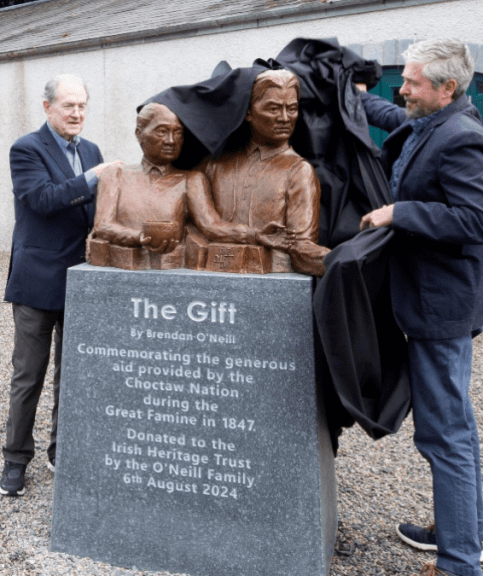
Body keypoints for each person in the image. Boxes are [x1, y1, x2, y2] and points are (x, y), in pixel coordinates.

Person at [358, 39, 483, 576]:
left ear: (446, 89)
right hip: (433, 301)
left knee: (445, 433)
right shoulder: (436, 121)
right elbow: (398, 116)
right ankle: (459, 529)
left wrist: (401, 211)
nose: (404, 88)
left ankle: (460, 563)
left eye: (413, 81)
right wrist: (353, 98)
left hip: (441, 309)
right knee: (452, 427)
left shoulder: (462, 139)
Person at [2, 74, 118, 496]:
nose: (77, 113)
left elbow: (100, 212)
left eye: (82, 106)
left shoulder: (90, 151)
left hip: (80, 281)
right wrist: (94, 178)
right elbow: (44, 199)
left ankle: (60, 450)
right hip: (36, 282)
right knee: (28, 376)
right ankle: (15, 460)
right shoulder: (26, 149)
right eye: (68, 105)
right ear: (47, 107)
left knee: (73, 374)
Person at [193, 68, 327, 276]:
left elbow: (301, 247)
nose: (285, 118)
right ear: (248, 111)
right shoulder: (215, 164)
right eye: (273, 109)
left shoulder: (299, 170)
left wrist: (338, 262)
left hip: (271, 281)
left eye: (291, 109)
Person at [89, 102, 251, 270]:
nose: (171, 140)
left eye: (178, 132)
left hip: (172, 267)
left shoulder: (191, 180)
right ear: (139, 134)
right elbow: (103, 225)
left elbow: (212, 226)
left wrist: (255, 235)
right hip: (122, 268)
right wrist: (139, 237)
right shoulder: (115, 175)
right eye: (162, 131)